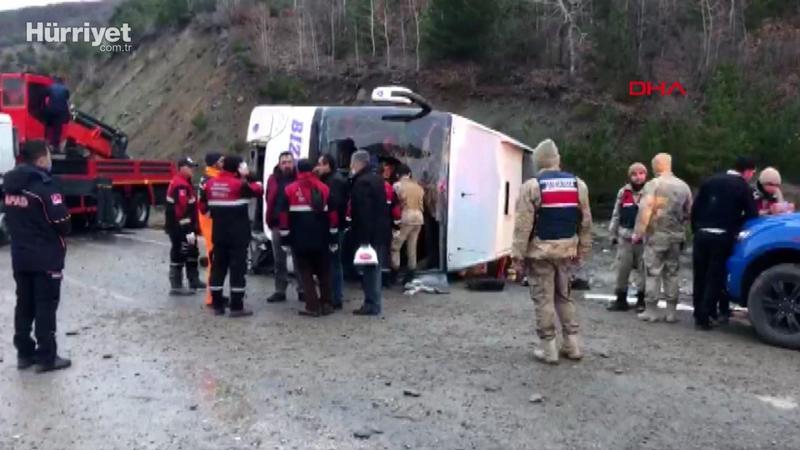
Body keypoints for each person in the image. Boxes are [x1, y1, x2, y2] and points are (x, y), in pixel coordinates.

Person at [511, 139, 592, 365]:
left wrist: (517, 256)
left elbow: (523, 225)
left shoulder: (532, 186)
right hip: (567, 251)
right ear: (558, 160)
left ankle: (549, 349)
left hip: (540, 254)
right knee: (564, 297)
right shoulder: (578, 185)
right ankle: (573, 345)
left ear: (538, 162)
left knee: (544, 300)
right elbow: (585, 222)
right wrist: (582, 250)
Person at [3, 140, 72, 372]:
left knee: (24, 305)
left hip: (20, 257)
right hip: (45, 258)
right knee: (45, 306)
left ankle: (24, 353)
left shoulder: (10, 185)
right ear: (41, 159)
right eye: (49, 156)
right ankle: (47, 357)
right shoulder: (45, 186)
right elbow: (61, 221)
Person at [691, 157, 759, 329]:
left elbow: (695, 208)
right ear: (748, 171)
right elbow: (752, 214)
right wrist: (736, 223)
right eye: (752, 173)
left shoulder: (710, 181)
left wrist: (696, 229)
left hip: (701, 234)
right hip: (722, 236)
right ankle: (706, 316)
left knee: (699, 275)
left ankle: (698, 311)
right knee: (714, 277)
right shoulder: (742, 187)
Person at [632, 153, 693, 324]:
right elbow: (689, 211)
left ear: (657, 166)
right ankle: (671, 312)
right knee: (672, 272)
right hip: (676, 236)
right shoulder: (683, 186)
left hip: (656, 235)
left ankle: (651, 310)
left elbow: (646, 210)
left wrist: (639, 232)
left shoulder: (653, 185)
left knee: (653, 272)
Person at [199, 155, 263, 317]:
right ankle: (236, 306)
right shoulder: (240, 185)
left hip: (219, 234)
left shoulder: (210, 184)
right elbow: (259, 189)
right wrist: (248, 175)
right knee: (237, 270)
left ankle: (217, 305)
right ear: (237, 168)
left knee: (218, 269)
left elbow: (203, 207)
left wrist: (216, 214)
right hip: (238, 235)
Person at [279, 159, 340, 317]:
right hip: (322, 237)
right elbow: (333, 216)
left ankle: (312, 306)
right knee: (324, 271)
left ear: (298, 170)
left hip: (299, 238)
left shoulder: (289, 189)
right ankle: (327, 303)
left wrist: (284, 239)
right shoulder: (324, 188)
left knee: (305, 272)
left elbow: (283, 216)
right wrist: (333, 237)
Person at [349, 150, 390, 316]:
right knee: (376, 268)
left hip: (369, 234)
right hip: (380, 231)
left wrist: (364, 239)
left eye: (352, 163)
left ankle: (371, 304)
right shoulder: (377, 179)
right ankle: (374, 302)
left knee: (370, 269)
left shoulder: (361, 182)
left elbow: (364, 212)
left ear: (358, 163)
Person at [607, 162, 649, 312]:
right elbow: (616, 214)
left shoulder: (651, 191)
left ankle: (642, 300)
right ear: (630, 176)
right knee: (622, 269)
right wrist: (612, 233)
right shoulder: (623, 192)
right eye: (634, 174)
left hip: (644, 239)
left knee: (644, 270)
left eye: (641, 173)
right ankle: (620, 299)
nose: (638, 177)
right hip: (625, 236)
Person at [265, 152, 302, 303]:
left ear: (294, 163)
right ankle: (280, 290)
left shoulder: (300, 178)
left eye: (289, 162)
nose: (287, 165)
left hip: (297, 224)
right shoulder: (273, 179)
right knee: (279, 260)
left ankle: (303, 289)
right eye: (284, 162)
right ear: (279, 164)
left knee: (299, 258)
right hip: (277, 224)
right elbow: (269, 198)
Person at [165, 157, 204, 296]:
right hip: (180, 227)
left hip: (187, 226)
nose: (193, 169)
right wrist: (187, 229)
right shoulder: (180, 185)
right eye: (190, 167)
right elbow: (181, 210)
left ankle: (194, 280)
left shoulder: (185, 182)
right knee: (179, 252)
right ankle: (176, 285)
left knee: (192, 251)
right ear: (181, 168)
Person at [315, 153, 349, 309]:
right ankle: (332, 295)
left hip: (334, 228)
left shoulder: (334, 182)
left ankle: (335, 297)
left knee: (334, 263)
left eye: (320, 164)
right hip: (335, 227)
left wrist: (333, 229)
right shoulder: (334, 179)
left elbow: (334, 207)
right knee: (333, 262)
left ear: (327, 165)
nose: (317, 167)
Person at [198, 152, 225, 307]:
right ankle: (212, 296)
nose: (223, 163)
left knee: (214, 259)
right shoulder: (211, 179)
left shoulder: (209, 177)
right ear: (214, 163)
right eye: (221, 161)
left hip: (211, 221)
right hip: (211, 223)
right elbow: (205, 205)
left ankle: (215, 293)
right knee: (214, 259)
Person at [391, 164, 425, 285]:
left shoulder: (397, 185)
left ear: (397, 175)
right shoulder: (418, 186)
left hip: (405, 216)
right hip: (419, 217)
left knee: (396, 246)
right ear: (409, 174)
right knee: (412, 246)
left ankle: (394, 271)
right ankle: (411, 273)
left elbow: (394, 202)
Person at [44, 77, 71, 151]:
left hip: (50, 111)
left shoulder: (50, 87)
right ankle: (54, 145)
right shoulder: (65, 90)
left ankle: (46, 140)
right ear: (62, 82)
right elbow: (67, 101)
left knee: (47, 125)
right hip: (61, 112)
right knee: (57, 129)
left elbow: (44, 96)